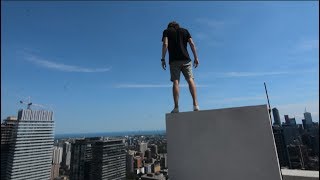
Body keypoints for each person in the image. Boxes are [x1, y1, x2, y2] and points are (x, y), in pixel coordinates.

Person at [161, 21, 200, 113]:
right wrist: (196, 57)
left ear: (169, 26)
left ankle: (176, 107)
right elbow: (192, 43)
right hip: (186, 59)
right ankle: (196, 105)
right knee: (190, 80)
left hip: (174, 61)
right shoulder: (185, 31)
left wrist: (163, 58)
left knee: (176, 82)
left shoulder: (166, 31)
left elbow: (165, 44)